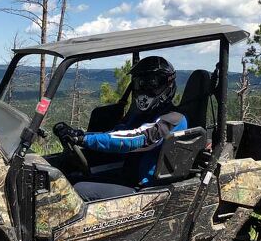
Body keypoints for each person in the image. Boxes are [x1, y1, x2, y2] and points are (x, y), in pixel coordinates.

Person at [55, 56, 187, 201]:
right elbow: (116, 134)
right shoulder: (146, 116)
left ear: (167, 85)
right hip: (128, 176)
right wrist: (80, 134)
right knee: (70, 178)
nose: (143, 89)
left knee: (77, 190)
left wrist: (82, 139)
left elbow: (133, 140)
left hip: (147, 191)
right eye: (139, 84)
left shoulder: (173, 119)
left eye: (151, 84)